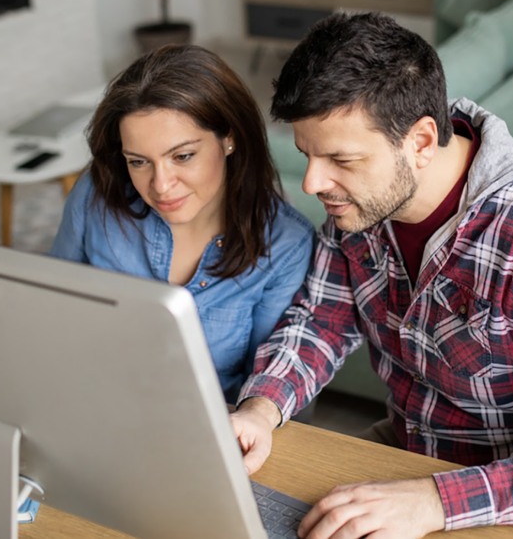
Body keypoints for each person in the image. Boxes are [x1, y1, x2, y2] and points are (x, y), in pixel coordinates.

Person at [230, 12, 513, 537]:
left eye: (340, 159)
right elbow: (322, 320)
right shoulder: (363, 202)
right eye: (307, 155)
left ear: (419, 141)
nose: (313, 183)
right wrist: (261, 407)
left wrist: (435, 501)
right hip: (409, 454)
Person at [49, 44, 315, 404]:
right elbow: (50, 312)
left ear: (230, 137)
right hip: (92, 404)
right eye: (138, 161)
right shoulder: (96, 195)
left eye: (183, 156)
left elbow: (271, 391)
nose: (160, 185)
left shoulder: (286, 244)